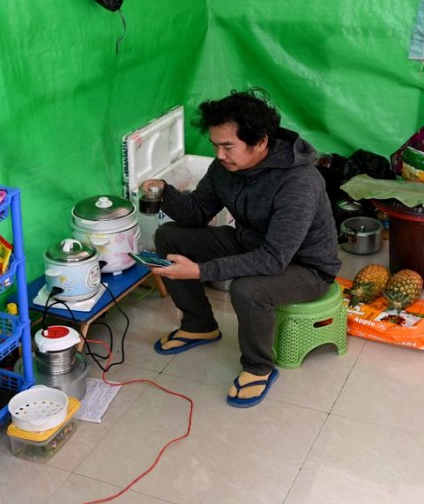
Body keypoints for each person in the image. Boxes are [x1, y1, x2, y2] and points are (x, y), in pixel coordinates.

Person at [140, 88, 340, 408]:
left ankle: (259, 366)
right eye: (216, 145)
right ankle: (199, 326)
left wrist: (201, 271)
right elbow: (197, 213)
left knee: (248, 290)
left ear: (260, 141)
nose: (220, 155)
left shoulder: (299, 182)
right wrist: (165, 192)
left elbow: (275, 259)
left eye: (228, 146)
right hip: (251, 242)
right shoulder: (226, 168)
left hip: (305, 267)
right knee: (169, 236)